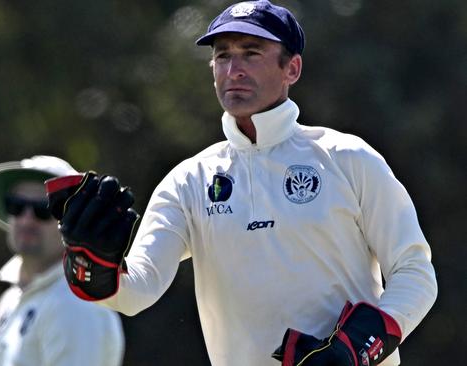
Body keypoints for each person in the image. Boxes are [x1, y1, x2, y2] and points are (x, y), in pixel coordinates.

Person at [46, 1, 438, 365]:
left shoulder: (348, 157)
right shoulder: (188, 181)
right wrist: (90, 262)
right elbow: (138, 290)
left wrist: (353, 352)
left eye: (251, 53)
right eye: (222, 55)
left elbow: (415, 272)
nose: (233, 69)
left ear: (292, 69)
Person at [0, 155, 125, 366]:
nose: (26, 219)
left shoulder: (76, 304)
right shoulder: (10, 299)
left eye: (42, 209)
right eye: (17, 205)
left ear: (73, 221)